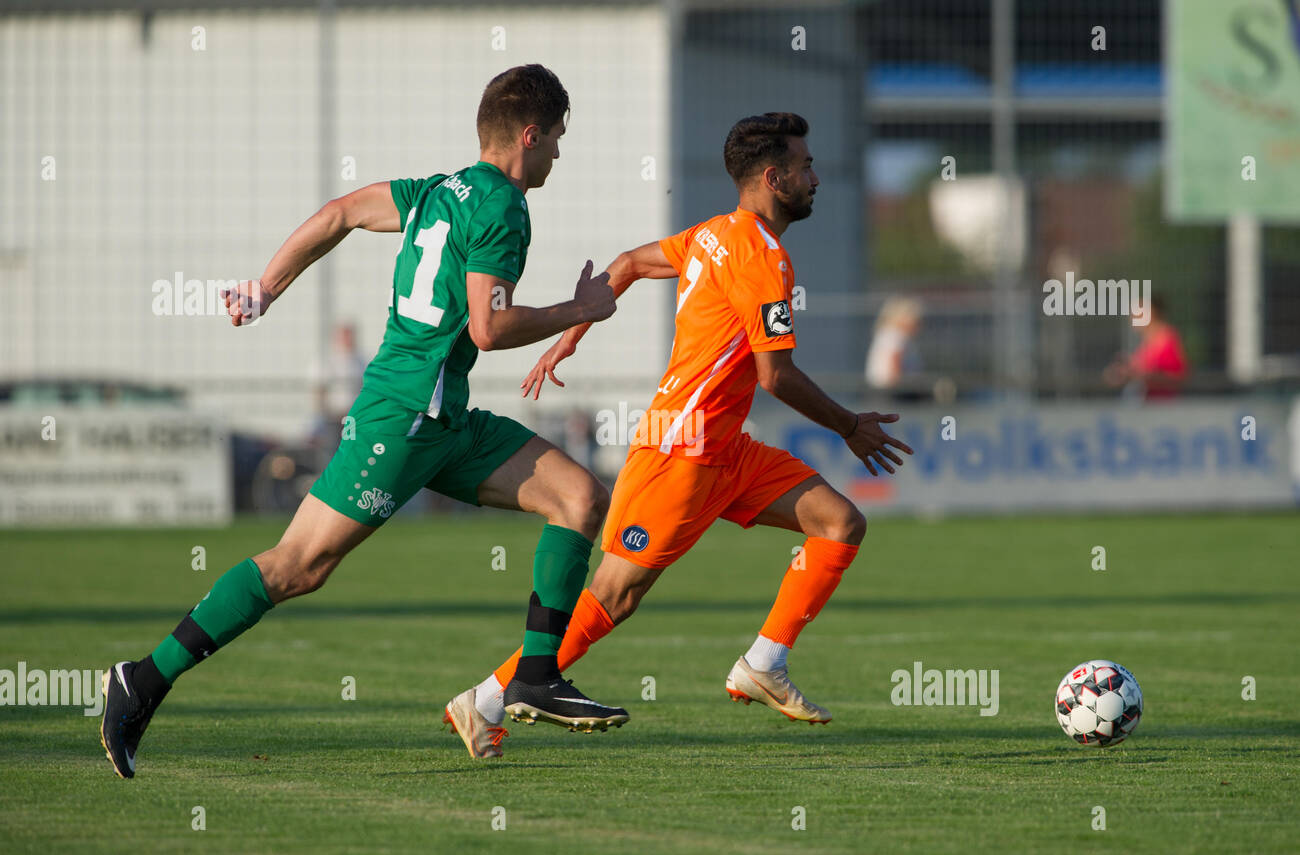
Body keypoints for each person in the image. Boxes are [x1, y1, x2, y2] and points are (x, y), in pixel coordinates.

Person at [100, 64, 631, 778]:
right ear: (528, 136)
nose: (559, 155)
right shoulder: (503, 205)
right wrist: (580, 308)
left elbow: (338, 213)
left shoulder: (436, 191)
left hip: (446, 419)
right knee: (297, 566)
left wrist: (265, 288)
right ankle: (143, 679)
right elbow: (487, 327)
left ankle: (534, 676)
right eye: (557, 139)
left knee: (579, 497)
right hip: (404, 415)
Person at [445, 112, 913, 758]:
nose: (816, 178)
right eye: (806, 168)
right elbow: (775, 375)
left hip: (727, 449)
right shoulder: (761, 258)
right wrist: (850, 426)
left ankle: (763, 663)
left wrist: (571, 335)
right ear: (773, 178)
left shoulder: (717, 235)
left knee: (840, 521)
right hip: (680, 452)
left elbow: (629, 263)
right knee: (615, 593)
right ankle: (487, 697)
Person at [1103, 294, 1188, 400]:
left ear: (1152, 312)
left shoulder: (1166, 341)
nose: (1132, 316)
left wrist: (1138, 375)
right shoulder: (1147, 344)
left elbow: (1178, 377)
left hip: (1164, 408)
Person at [865, 296, 923, 390]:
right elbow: (895, 366)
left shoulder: (888, 333)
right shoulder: (896, 335)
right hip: (891, 392)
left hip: (884, 390)